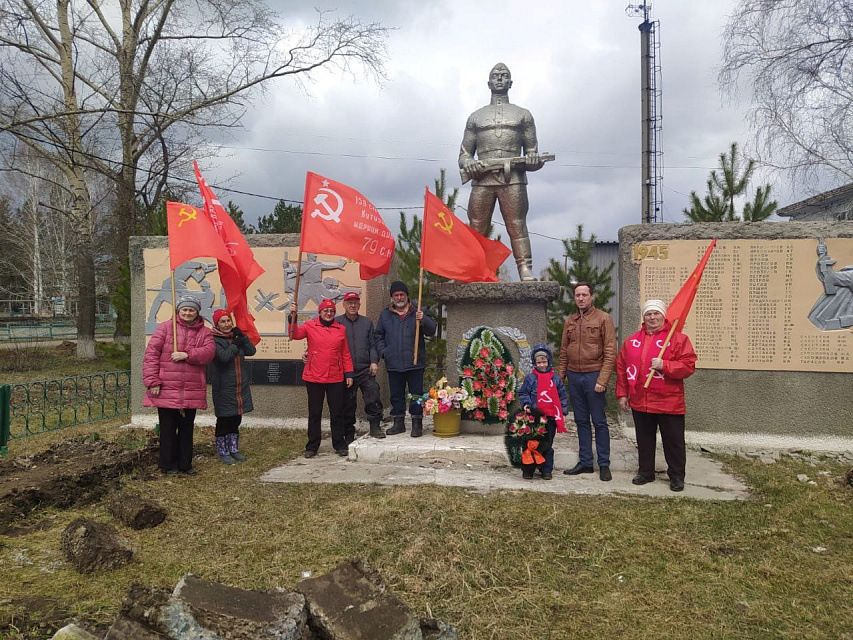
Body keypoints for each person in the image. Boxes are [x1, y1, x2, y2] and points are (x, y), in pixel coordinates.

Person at [458, 62, 545, 281]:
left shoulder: (523, 115)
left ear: (510, 82)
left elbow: (533, 155)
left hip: (512, 178)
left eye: (504, 75)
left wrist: (533, 159)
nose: (499, 78)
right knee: (476, 226)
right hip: (482, 179)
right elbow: (464, 155)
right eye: (495, 76)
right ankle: (472, 270)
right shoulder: (475, 117)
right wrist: (470, 164)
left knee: (516, 225)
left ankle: (525, 268)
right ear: (488, 83)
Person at [616, 299, 697, 492]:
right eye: (648, 314)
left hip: (669, 401)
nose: (652, 317)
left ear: (663, 315)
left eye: (656, 313)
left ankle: (677, 476)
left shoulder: (678, 339)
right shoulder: (632, 341)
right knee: (644, 439)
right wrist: (622, 394)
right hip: (640, 400)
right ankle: (645, 472)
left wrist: (665, 365)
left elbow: (688, 365)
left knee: (673, 441)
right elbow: (621, 368)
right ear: (643, 317)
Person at [143, 296, 215, 475]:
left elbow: (209, 353)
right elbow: (151, 355)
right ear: (178, 311)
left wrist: (187, 355)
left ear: (197, 312)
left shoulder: (205, 332)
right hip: (167, 387)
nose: (188, 313)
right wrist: (153, 381)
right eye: (184, 310)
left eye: (191, 310)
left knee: (186, 429)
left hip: (190, 389)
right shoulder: (166, 328)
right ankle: (168, 464)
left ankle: (185, 464)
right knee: (167, 429)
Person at [558, 282, 617, 481]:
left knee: (599, 422)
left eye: (584, 295)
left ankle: (604, 464)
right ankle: (585, 462)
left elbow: (610, 352)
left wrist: (602, 379)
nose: (581, 298)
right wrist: (560, 379)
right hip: (574, 376)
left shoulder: (603, 318)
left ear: (591, 296)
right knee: (581, 421)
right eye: (577, 295)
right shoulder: (570, 321)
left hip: (594, 377)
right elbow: (564, 352)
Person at [289, 298, 354, 457]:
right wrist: (293, 318)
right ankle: (312, 446)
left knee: (337, 412)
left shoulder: (341, 329)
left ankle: (339, 444)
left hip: (335, 377)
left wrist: (349, 373)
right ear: (320, 312)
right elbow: (295, 334)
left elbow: (345, 353)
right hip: (314, 377)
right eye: (326, 310)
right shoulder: (310, 326)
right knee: (315, 412)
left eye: (332, 311)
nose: (329, 313)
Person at [374, 280, 437, 437]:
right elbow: (378, 336)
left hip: (415, 362)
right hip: (393, 362)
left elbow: (432, 330)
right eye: (396, 295)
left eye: (402, 294)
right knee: (396, 395)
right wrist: (384, 352)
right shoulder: (385, 314)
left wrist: (423, 319)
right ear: (392, 297)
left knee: (416, 395)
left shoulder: (418, 311)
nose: (399, 297)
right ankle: (398, 423)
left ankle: (417, 423)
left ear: (407, 296)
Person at [336, 292, 385, 440]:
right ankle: (348, 432)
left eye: (355, 302)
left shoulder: (367, 323)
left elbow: (372, 345)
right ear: (344, 305)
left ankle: (375, 426)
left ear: (359, 305)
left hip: (365, 369)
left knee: (373, 393)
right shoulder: (337, 323)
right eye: (349, 302)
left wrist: (374, 361)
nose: (352, 305)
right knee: (347, 403)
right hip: (345, 371)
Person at [210, 309, 256, 464]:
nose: (226, 324)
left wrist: (242, 337)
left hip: (239, 386)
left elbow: (251, 351)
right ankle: (223, 450)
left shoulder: (235, 337)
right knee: (224, 419)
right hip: (224, 387)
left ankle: (234, 448)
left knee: (236, 418)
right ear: (217, 324)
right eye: (222, 321)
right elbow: (223, 357)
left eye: (228, 320)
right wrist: (235, 344)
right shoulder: (213, 340)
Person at [517, 344, 569, 480]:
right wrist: (527, 404)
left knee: (547, 443)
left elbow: (562, 395)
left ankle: (546, 469)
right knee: (530, 443)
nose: (541, 365)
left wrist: (562, 411)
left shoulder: (555, 379)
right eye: (539, 362)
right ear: (534, 363)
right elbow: (523, 393)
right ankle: (528, 469)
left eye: (544, 362)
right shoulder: (530, 379)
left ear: (549, 361)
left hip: (550, 417)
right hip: (534, 418)